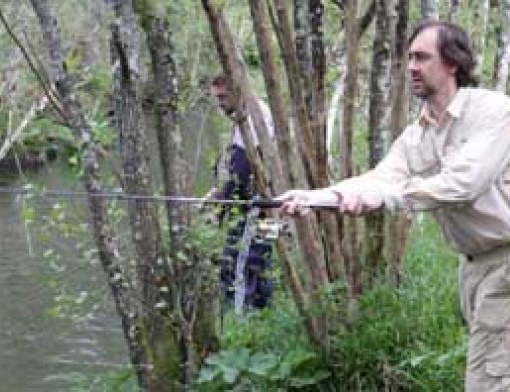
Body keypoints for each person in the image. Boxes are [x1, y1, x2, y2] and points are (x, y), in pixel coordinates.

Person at [278, 21, 510, 391]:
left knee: (490, 381)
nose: (412, 67)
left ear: (452, 63)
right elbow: (381, 178)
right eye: (409, 59)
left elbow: (463, 185)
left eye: (422, 57)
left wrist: (385, 197)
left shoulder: (494, 111)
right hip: (474, 269)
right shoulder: (419, 133)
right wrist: (314, 198)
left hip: (505, 263)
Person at [206, 73, 274, 310]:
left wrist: (219, 211)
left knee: (238, 263)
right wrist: (217, 194)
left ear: (238, 92)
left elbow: (242, 173)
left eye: (223, 97)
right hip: (265, 206)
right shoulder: (246, 116)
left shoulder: (254, 119)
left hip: (258, 208)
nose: (220, 103)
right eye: (216, 98)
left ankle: (241, 322)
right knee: (261, 262)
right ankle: (261, 315)